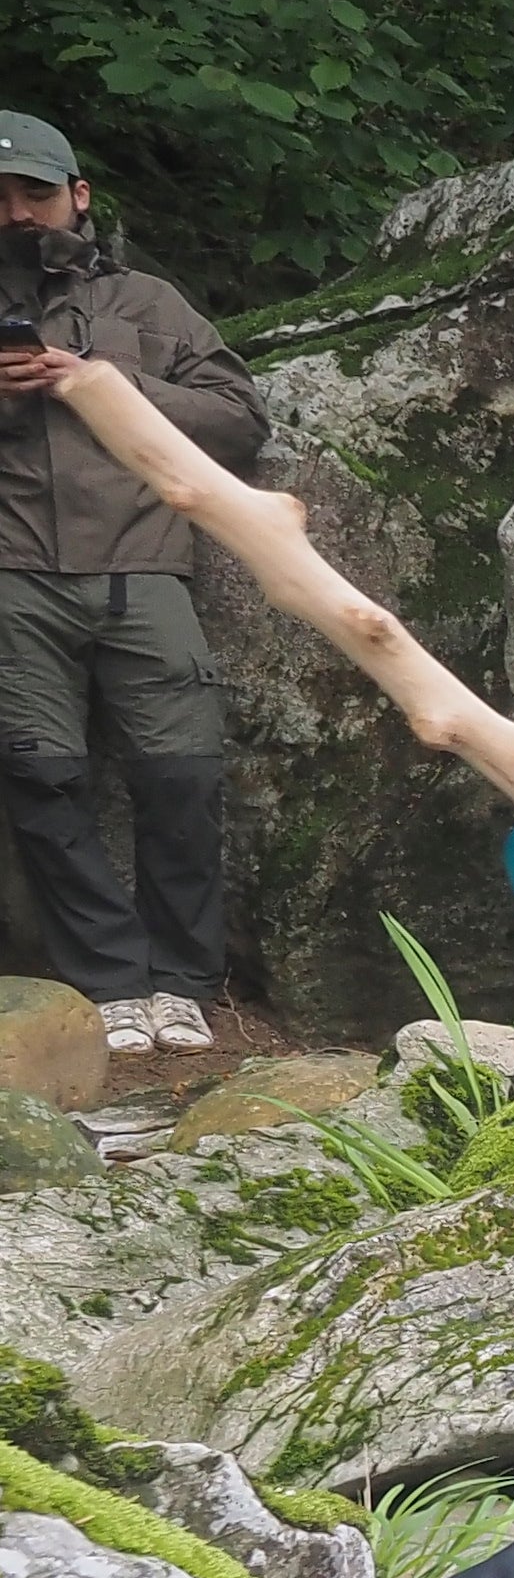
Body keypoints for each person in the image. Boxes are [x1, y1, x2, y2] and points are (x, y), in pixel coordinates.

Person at [0, 111, 265, 1058]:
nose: (17, 213)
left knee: (182, 776)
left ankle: (185, 981)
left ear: (78, 196)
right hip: (13, 577)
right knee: (43, 781)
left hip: (145, 567)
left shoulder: (148, 302)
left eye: (34, 191)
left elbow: (241, 421)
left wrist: (104, 380)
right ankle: (109, 982)